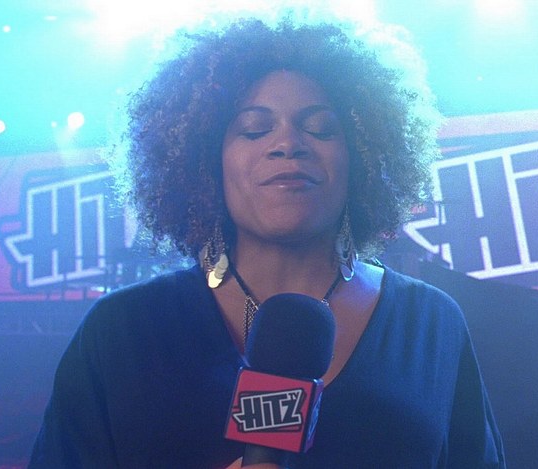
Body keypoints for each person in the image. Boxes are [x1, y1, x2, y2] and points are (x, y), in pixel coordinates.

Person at [29, 13, 505, 469]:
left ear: (362, 159)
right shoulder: (122, 329)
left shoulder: (430, 323)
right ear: (205, 163)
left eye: (320, 128)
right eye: (254, 129)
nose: (287, 143)